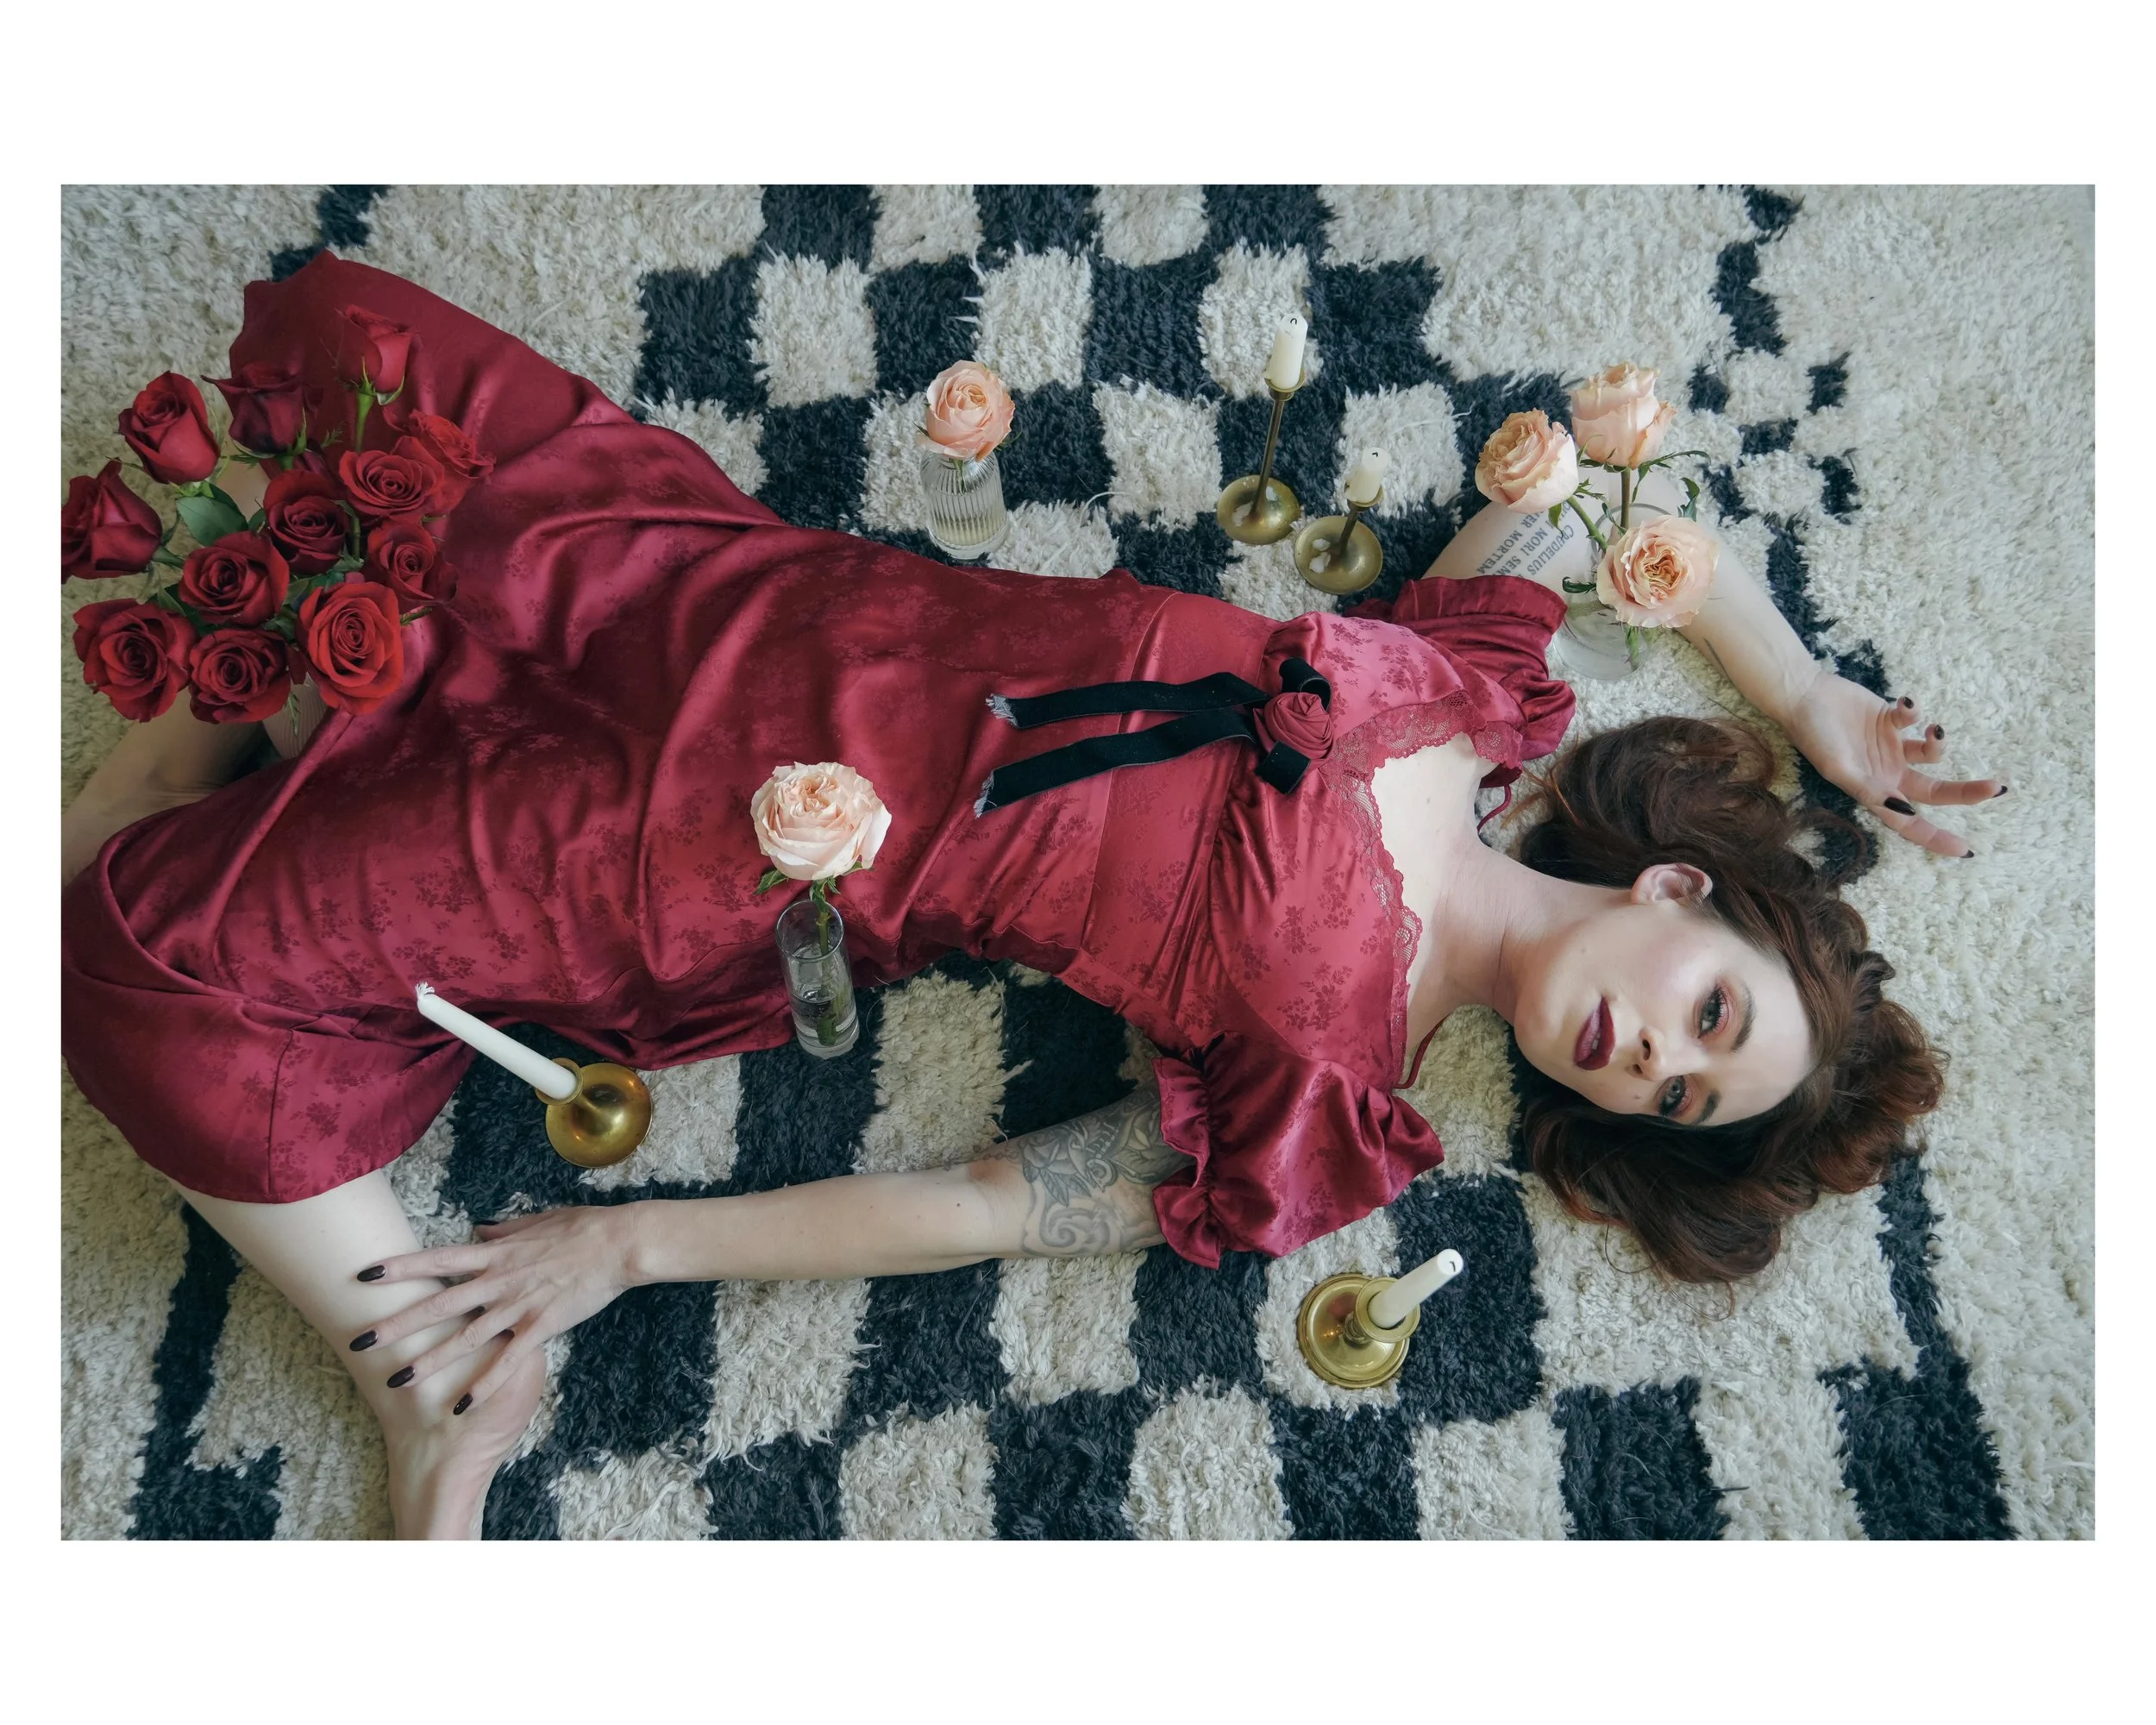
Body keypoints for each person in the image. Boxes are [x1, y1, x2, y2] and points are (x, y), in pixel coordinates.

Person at [60, 255, 1996, 1538]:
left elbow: (991, 1205)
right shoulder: (1460, 686)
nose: (1646, 1048)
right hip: (740, 594)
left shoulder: (1337, 1108)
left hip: (719, 843)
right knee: (326, 338)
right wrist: (1808, 693)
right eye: (1710, 1013)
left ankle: (430, 1385)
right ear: (1679, 887)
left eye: (1664, 1094)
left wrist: (632, 1249)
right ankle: (289, 714)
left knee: (129, 954)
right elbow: (1603, 491)